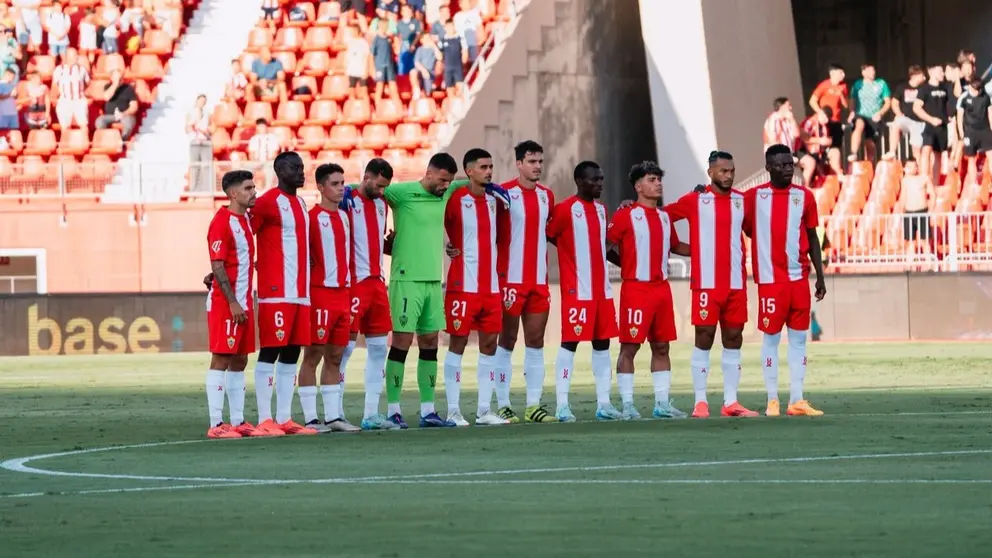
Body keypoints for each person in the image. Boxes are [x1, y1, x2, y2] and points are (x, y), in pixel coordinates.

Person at [667, 151, 756, 419]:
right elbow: (661, 217)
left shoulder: (742, 201)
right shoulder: (696, 200)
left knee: (733, 339)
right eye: (722, 171)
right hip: (706, 284)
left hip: (736, 283)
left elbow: (751, 230)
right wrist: (677, 247)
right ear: (711, 173)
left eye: (731, 171)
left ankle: (731, 402)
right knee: (704, 338)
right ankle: (700, 402)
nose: (728, 176)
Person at [381, 153, 463, 428]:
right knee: (402, 344)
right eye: (441, 180)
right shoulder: (401, 193)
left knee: (430, 344)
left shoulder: (446, 190)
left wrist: (493, 185)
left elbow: (467, 182)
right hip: (406, 280)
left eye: (448, 182)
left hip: (432, 280)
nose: (445, 186)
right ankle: (393, 410)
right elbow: (369, 190)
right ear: (429, 173)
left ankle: (428, 410)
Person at [746, 145, 827, 418]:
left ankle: (797, 399)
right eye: (781, 165)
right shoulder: (754, 197)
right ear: (768, 167)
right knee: (770, 340)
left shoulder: (804, 197)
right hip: (770, 282)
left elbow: (813, 237)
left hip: (799, 281)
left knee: (799, 341)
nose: (788, 169)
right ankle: (772, 399)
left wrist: (820, 276)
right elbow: (729, 207)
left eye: (790, 164)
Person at [607, 161, 691, 419]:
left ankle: (662, 404)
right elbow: (606, 245)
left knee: (662, 346)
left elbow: (676, 246)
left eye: (658, 179)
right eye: (652, 179)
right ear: (638, 186)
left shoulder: (665, 217)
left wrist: (706, 248)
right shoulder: (625, 215)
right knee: (630, 347)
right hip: (636, 289)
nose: (658, 184)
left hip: (661, 290)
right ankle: (628, 405)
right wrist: (627, 265)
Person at [249, 151, 318, 436]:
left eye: (302, 167)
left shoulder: (301, 203)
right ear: (279, 171)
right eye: (295, 168)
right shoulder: (267, 202)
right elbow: (244, 233)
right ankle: (265, 419)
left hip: (301, 293)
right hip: (276, 292)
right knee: (271, 351)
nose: (301, 172)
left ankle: (285, 418)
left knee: (292, 353)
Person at [547, 161, 621, 422]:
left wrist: (627, 264)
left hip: (602, 291)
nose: (600, 183)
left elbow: (603, 247)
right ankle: (562, 405)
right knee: (570, 343)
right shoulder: (565, 210)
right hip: (577, 290)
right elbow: (550, 234)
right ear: (580, 181)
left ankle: (604, 403)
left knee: (602, 344)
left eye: (601, 179)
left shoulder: (602, 210)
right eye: (594, 179)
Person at [441, 149, 510, 426]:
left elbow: (501, 237)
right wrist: (449, 246)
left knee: (490, 346)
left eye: (491, 166)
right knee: (457, 343)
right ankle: (453, 410)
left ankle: (484, 411)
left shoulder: (497, 200)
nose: (489, 171)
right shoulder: (455, 198)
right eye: (483, 167)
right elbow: (438, 223)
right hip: (462, 285)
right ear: (469, 171)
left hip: (490, 287)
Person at [491, 141, 558, 423]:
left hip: (538, 282)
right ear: (518, 163)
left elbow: (552, 231)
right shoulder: (503, 194)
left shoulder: (547, 196)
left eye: (540, 161)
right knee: (506, 340)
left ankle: (533, 406)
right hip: (510, 281)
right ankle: (504, 404)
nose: (537, 166)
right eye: (531, 161)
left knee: (536, 341)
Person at [298, 164, 362, 433]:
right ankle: (312, 419)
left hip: (342, 295)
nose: (341, 188)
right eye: (335, 184)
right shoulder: (311, 218)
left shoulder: (346, 217)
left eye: (343, 183)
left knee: (336, 355)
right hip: (320, 294)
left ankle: (334, 417)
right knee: (313, 354)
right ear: (321, 188)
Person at [341, 159, 399, 431]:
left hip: (378, 283)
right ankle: (335, 412)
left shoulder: (382, 204)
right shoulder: (347, 198)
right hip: (354, 283)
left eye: (385, 186)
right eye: (378, 184)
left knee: (378, 348)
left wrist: (388, 246)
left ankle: (370, 414)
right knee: (345, 348)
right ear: (366, 176)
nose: (381, 190)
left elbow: (376, 240)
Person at [204, 170, 259, 439]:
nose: (254, 192)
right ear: (233, 193)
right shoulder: (222, 222)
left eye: (254, 187)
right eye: (248, 188)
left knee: (240, 359)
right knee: (222, 358)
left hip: (245, 300)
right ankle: (216, 424)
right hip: (228, 303)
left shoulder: (247, 220)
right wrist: (233, 302)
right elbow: (217, 264)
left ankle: (237, 421)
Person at [914, 63, 952, 183]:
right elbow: (916, 108)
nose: (943, 74)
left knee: (938, 155)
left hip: (942, 126)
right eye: (940, 71)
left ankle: (934, 183)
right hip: (930, 125)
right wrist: (930, 119)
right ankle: (924, 179)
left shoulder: (945, 87)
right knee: (926, 150)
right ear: (931, 72)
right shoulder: (924, 89)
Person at [848, 63, 890, 162]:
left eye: (874, 70)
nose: (873, 72)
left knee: (870, 143)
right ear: (864, 72)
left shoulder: (881, 83)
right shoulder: (858, 84)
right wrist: (852, 112)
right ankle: (853, 153)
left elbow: (888, 102)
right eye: (871, 70)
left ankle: (870, 165)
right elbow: (852, 100)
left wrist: (880, 113)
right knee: (859, 126)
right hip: (861, 114)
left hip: (874, 116)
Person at [887, 65, 927, 161]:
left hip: (919, 121)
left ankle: (918, 167)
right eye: (922, 75)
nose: (924, 77)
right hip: (907, 118)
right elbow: (894, 102)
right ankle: (892, 151)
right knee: (896, 123)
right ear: (914, 75)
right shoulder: (902, 87)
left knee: (917, 148)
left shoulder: (925, 88)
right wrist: (899, 113)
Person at [897, 160, 934, 257]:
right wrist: (901, 211)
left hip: (922, 212)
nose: (911, 169)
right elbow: (903, 197)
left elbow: (932, 194)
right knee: (910, 242)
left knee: (925, 241)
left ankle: (929, 264)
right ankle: (911, 267)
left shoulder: (924, 178)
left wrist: (931, 210)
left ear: (917, 167)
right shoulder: (904, 181)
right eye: (908, 167)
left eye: (913, 166)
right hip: (909, 213)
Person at [809, 63, 848, 152]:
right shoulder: (824, 85)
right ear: (833, 73)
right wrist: (820, 112)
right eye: (840, 73)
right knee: (825, 145)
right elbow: (812, 101)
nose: (843, 75)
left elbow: (846, 105)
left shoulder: (843, 86)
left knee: (836, 146)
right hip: (824, 120)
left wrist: (841, 94)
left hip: (836, 120)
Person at [957, 78, 992, 176]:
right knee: (971, 158)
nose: (973, 91)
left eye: (976, 90)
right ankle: (973, 183)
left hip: (985, 130)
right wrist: (961, 133)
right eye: (972, 88)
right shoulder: (964, 98)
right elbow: (959, 117)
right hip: (970, 131)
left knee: (991, 155)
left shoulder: (986, 98)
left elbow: (990, 113)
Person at [52, 47, 89, 130]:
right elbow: (54, 86)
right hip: (64, 101)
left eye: (77, 55)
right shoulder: (59, 70)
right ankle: (65, 141)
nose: (77, 57)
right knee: (64, 126)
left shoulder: (82, 69)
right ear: (67, 57)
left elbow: (87, 83)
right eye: (74, 56)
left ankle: (83, 141)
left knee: (83, 124)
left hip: (79, 100)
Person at [95, 69, 138, 140]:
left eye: (120, 77)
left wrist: (123, 113)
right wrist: (115, 84)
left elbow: (134, 106)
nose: (119, 79)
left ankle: (122, 140)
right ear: (111, 78)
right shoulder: (107, 86)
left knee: (128, 122)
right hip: (110, 116)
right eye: (116, 78)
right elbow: (106, 97)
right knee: (100, 121)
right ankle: (108, 140)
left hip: (124, 115)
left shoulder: (128, 88)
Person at [186, 94, 212, 192]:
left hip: (205, 142)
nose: (202, 103)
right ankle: (193, 189)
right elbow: (187, 127)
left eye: (204, 101)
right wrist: (194, 127)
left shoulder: (207, 113)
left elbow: (210, 126)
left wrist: (207, 131)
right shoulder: (191, 112)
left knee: (206, 166)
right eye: (201, 101)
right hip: (195, 142)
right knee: (195, 166)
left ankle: (206, 189)